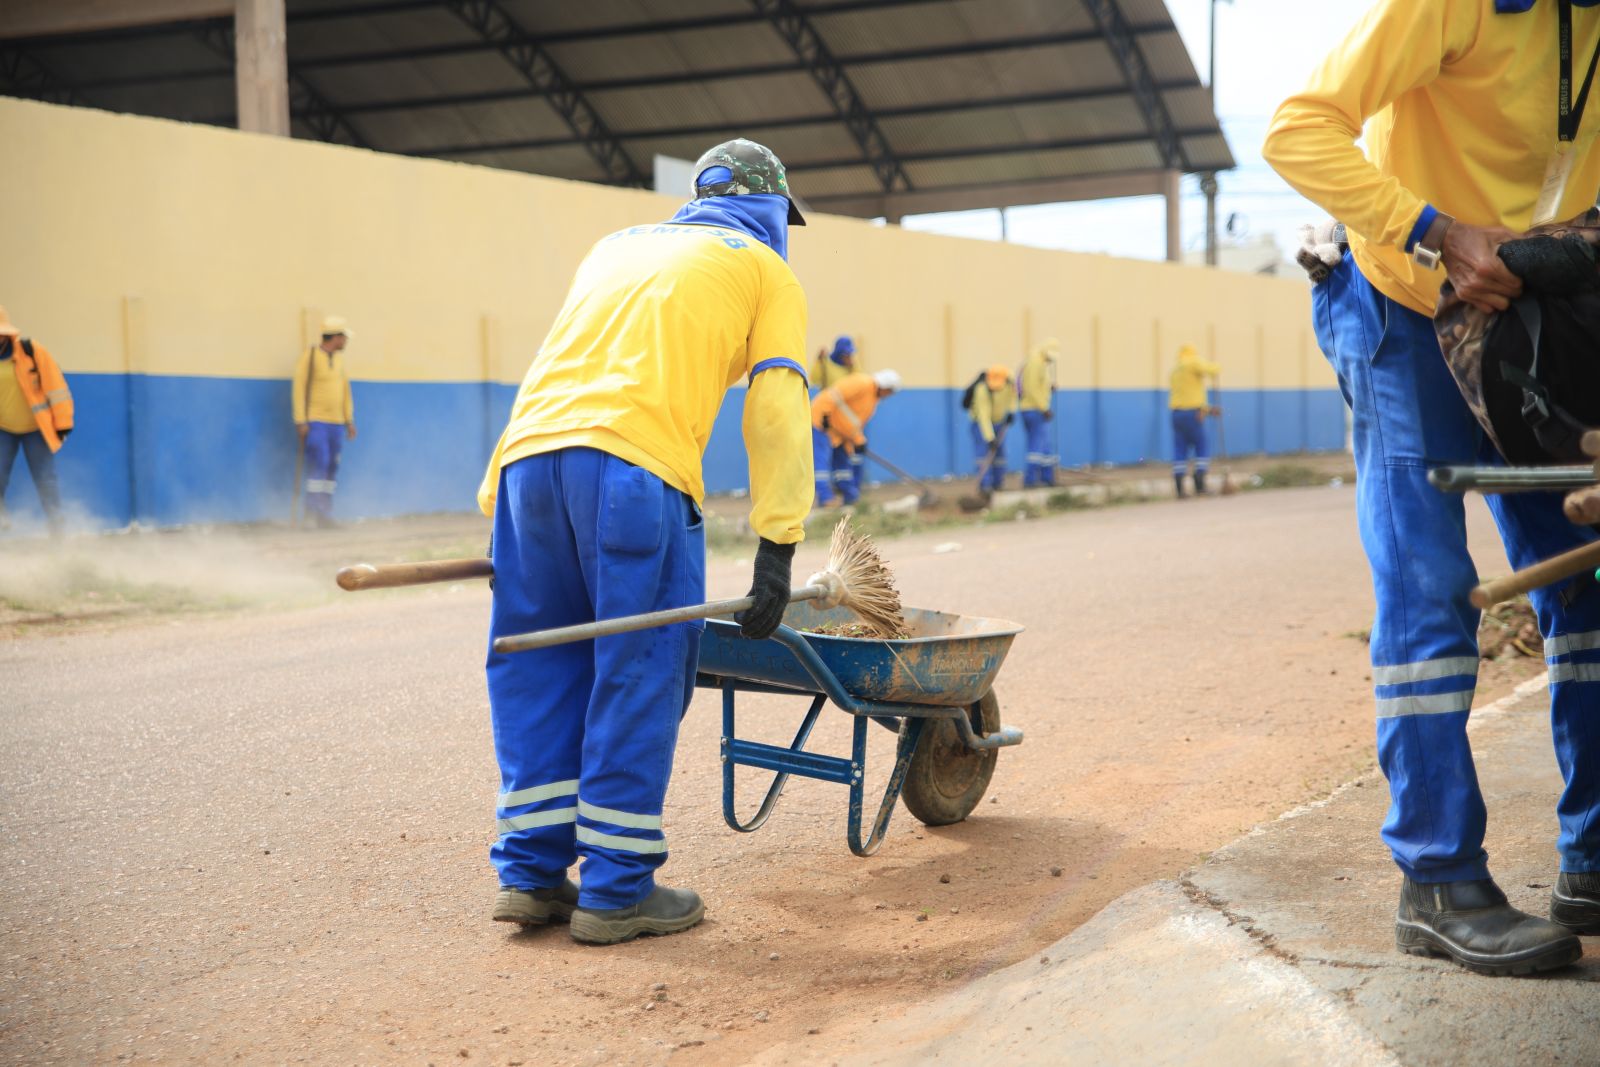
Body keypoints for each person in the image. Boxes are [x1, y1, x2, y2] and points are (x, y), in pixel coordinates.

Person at [1264, 0, 1600, 975]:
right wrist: (1435, 230)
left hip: (1527, 323)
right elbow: (1296, 125)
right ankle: (1438, 877)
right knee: (1430, 589)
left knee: (1582, 582)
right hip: (1401, 303)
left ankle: (1589, 857)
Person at [477, 138, 813, 946]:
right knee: (641, 663)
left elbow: (554, 364)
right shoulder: (767, 270)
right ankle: (618, 890)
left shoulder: (615, 247)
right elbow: (776, 402)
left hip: (527, 467)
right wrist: (778, 543)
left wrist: (498, 508)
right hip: (631, 471)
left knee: (538, 661)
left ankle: (530, 876)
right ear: (772, 209)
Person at [0, 307, 72, 534]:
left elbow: (56, 387)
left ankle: (57, 529)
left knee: (46, 482)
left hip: (35, 429)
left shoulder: (31, 351)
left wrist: (63, 423)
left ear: (6, 334)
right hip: (3, 429)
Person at [292, 316, 356, 528]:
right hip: (316, 422)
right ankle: (312, 513)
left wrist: (349, 420)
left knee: (331, 467)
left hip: (336, 423)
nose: (345, 342)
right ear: (336, 337)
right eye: (343, 337)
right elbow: (299, 389)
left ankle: (325, 515)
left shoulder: (339, 360)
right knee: (319, 463)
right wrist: (301, 420)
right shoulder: (310, 357)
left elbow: (346, 391)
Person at [811, 369, 902, 506]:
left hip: (839, 432)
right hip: (822, 423)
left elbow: (853, 423)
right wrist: (824, 415)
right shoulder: (862, 383)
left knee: (843, 463)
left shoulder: (872, 399)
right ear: (885, 387)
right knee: (821, 461)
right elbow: (833, 395)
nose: (888, 396)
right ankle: (825, 498)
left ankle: (850, 497)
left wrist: (859, 441)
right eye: (890, 392)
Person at [1168, 344, 1219, 498]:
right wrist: (1216, 366)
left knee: (1180, 449)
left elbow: (1186, 395)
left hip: (1176, 414)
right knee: (1201, 446)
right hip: (1194, 414)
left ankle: (1179, 488)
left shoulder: (1175, 370)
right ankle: (1200, 484)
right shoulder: (1193, 361)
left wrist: (1208, 410)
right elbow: (1213, 370)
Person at [967, 364, 1015, 493]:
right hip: (980, 424)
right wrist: (990, 438)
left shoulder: (1010, 383)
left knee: (999, 456)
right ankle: (985, 487)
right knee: (983, 455)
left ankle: (998, 484)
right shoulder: (982, 389)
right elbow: (983, 416)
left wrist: (1011, 412)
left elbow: (1012, 397)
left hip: (999, 422)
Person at [1019, 339, 1059, 488]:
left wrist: (1049, 387)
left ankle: (1047, 478)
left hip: (1035, 409)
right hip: (1034, 410)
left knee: (1045, 446)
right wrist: (1044, 408)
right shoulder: (1036, 363)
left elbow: (1037, 385)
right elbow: (1031, 389)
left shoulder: (1039, 362)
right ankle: (1030, 480)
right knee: (1036, 446)